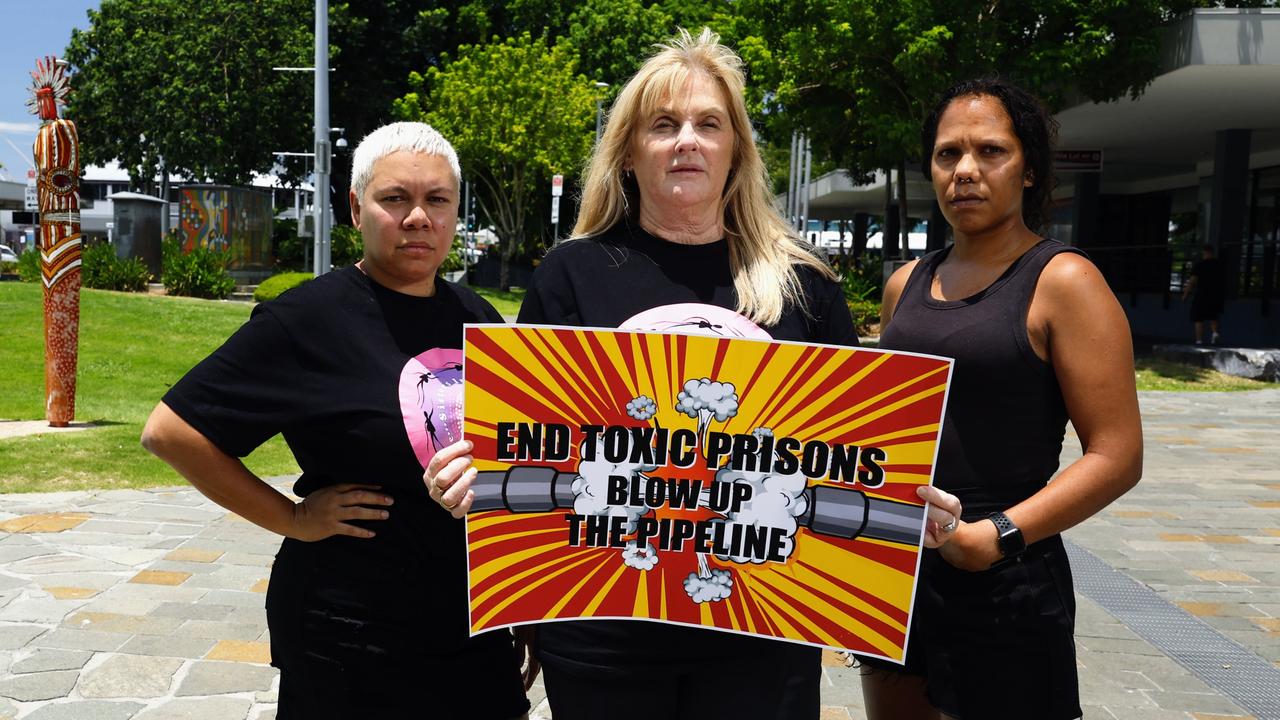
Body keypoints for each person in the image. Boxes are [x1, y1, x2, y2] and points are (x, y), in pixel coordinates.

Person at [426, 28, 964, 720]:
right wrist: (474, 480)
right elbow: (527, 448)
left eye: (709, 123)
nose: (688, 140)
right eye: (664, 124)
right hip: (604, 637)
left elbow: (854, 464)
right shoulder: (571, 276)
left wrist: (909, 512)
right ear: (628, 151)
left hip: (763, 642)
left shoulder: (804, 287)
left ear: (736, 148)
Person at [140, 122, 530, 720]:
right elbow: (172, 432)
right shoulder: (307, 319)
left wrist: (528, 603)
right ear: (356, 207)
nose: (418, 217)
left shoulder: (480, 321)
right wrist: (293, 518)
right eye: (395, 198)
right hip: (348, 635)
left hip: (469, 629)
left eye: (437, 200)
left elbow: (518, 460)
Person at [859, 78, 1144, 720]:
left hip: (1005, 574)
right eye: (947, 154)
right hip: (896, 571)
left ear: (1029, 170)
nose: (965, 171)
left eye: (990, 152)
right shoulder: (905, 283)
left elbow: (1119, 455)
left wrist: (998, 536)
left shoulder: (1064, 281)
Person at [1183, 244, 1224, 344]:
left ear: (1204, 252)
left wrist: (1185, 293)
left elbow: (1192, 281)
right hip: (1215, 294)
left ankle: (1199, 340)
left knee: (1198, 318)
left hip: (1202, 293)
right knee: (1213, 315)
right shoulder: (1219, 265)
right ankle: (1214, 332)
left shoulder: (1200, 265)